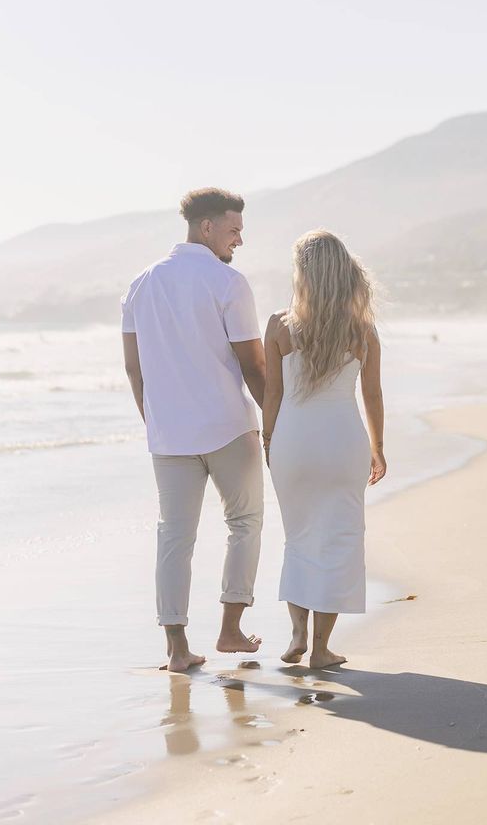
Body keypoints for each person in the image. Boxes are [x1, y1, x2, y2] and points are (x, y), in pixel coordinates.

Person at [121, 188, 266, 673]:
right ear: (207, 228)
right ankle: (230, 629)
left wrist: (157, 420)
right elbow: (253, 365)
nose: (239, 240)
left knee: (174, 537)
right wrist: (276, 423)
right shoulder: (228, 282)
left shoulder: (141, 284)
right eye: (234, 229)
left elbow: (133, 369)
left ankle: (178, 650)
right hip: (228, 428)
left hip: (170, 438)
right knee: (244, 523)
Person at [262, 230, 386, 668]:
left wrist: (269, 442)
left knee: (298, 538)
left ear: (304, 275)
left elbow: (272, 395)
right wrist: (378, 447)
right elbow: (372, 395)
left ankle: (296, 632)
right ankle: (320, 649)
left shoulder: (279, 325)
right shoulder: (362, 329)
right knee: (339, 539)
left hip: (293, 441)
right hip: (342, 441)